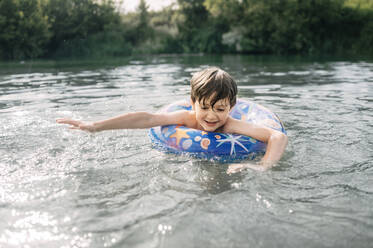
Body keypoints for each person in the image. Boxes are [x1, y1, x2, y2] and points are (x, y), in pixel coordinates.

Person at [56, 67, 288, 172]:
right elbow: (147, 118)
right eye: (204, 107)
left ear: (232, 107)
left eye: (219, 109)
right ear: (192, 102)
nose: (211, 116)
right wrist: (96, 126)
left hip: (225, 161)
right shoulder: (187, 118)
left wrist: (261, 167)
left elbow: (277, 137)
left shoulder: (231, 124)